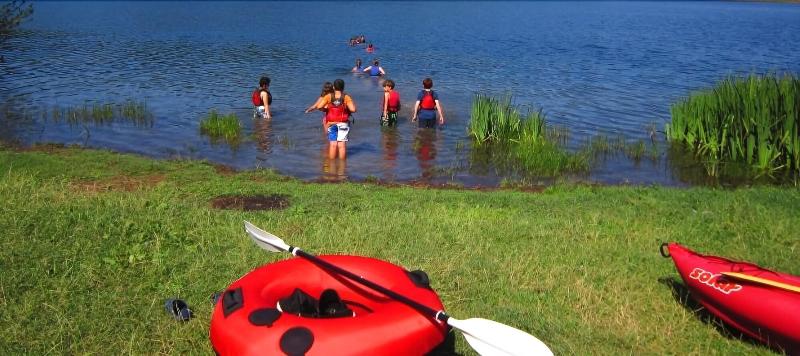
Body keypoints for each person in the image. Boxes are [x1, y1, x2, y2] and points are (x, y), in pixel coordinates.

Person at [316, 79, 356, 159]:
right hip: (343, 123)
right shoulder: (346, 97)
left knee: (333, 144)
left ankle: (332, 165)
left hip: (331, 123)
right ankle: (342, 166)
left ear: (334, 87)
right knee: (341, 145)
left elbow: (319, 107)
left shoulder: (329, 96)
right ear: (343, 87)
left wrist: (326, 109)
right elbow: (353, 110)